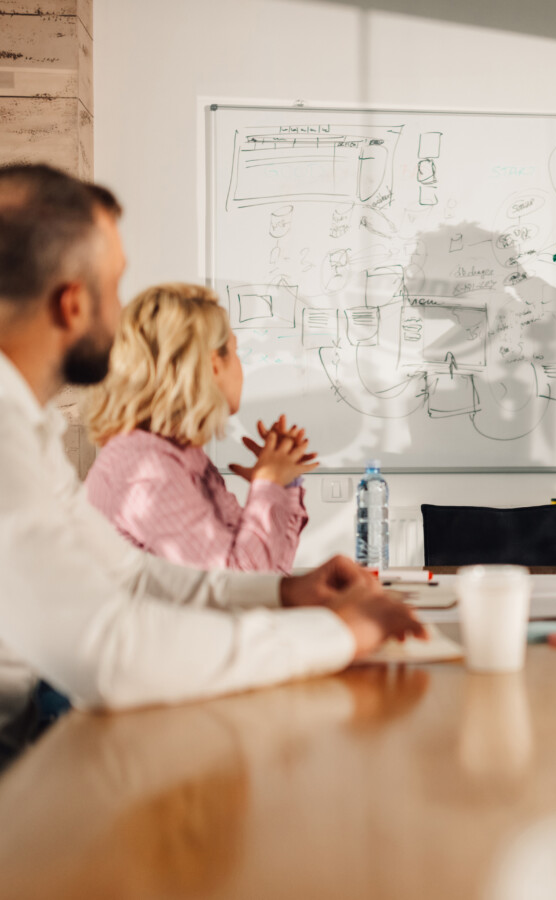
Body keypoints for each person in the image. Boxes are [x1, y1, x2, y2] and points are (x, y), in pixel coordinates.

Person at [0, 163, 424, 712]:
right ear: (73, 304)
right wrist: (339, 634)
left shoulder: (28, 430)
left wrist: (287, 593)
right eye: (115, 284)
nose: (123, 315)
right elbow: (111, 653)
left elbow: (131, 576)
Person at [83, 282, 314, 573]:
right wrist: (268, 483)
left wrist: (283, 484)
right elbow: (237, 584)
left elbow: (270, 575)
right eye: (235, 350)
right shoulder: (145, 468)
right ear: (213, 364)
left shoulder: (181, 456)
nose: (241, 368)